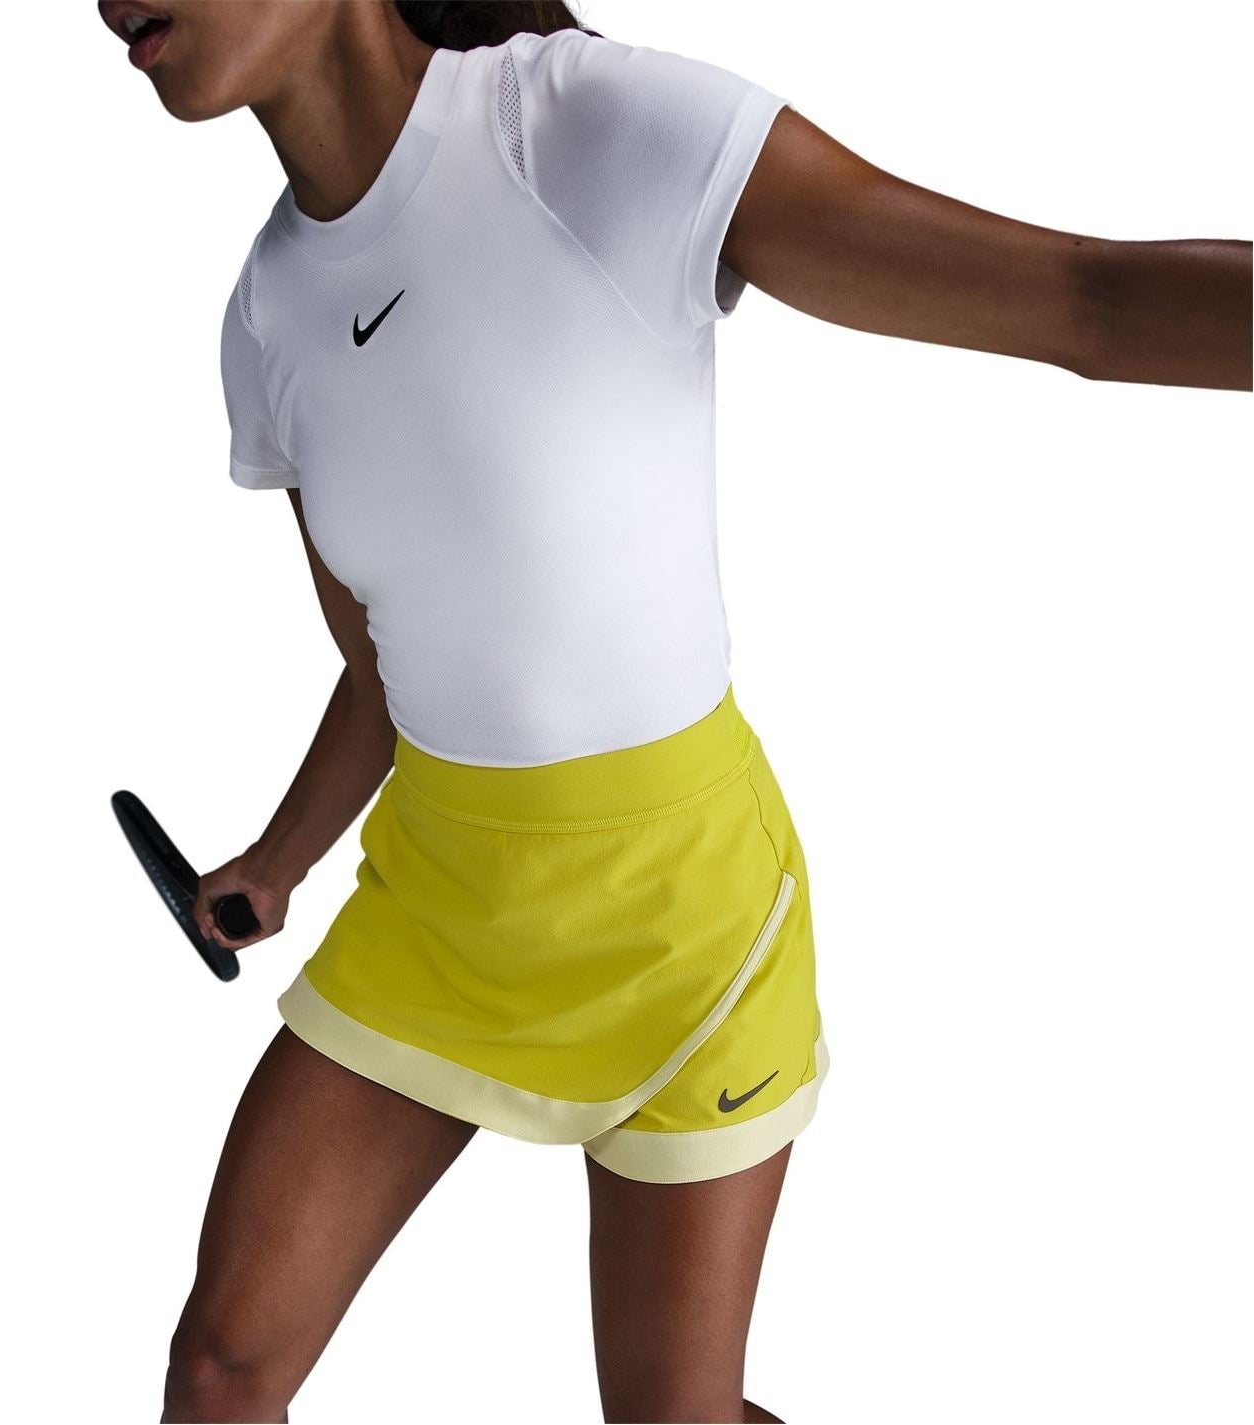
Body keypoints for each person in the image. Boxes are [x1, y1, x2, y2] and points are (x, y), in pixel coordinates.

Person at [96, 2, 1251, 1420]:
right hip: (441, 908)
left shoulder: (583, 129)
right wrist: (278, 861)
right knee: (219, 1374)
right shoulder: (268, 313)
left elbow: (1085, 301)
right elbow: (384, 665)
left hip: (681, 922)